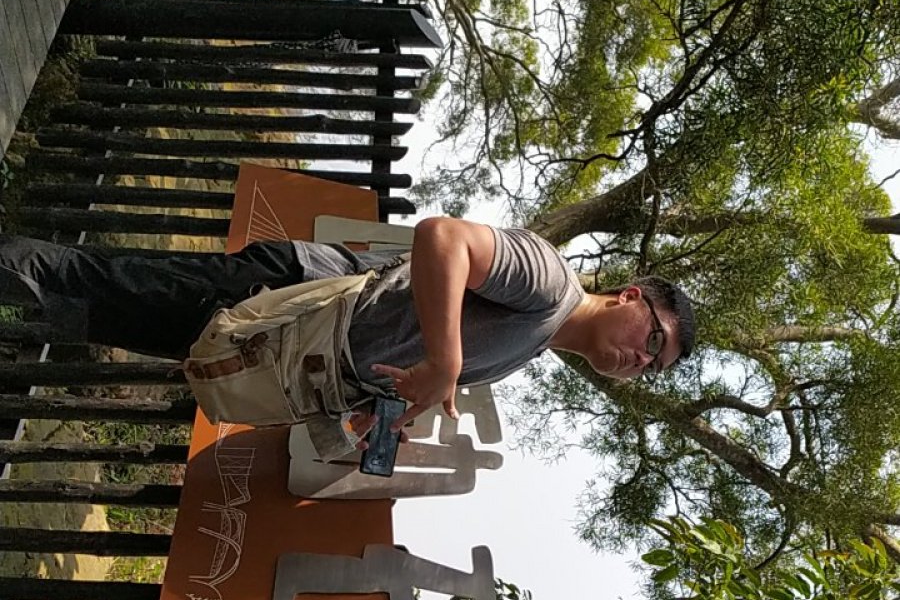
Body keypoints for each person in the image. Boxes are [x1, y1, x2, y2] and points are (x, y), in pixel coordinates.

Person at [0, 218, 696, 444]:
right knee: (110, 287)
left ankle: (22, 289)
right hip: (282, 303)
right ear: (631, 296)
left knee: (112, 312)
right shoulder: (548, 283)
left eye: (651, 367)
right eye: (653, 339)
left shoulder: (534, 344)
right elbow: (443, 239)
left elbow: (402, 337)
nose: (640, 360)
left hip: (287, 347)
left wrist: (384, 408)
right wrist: (446, 365)